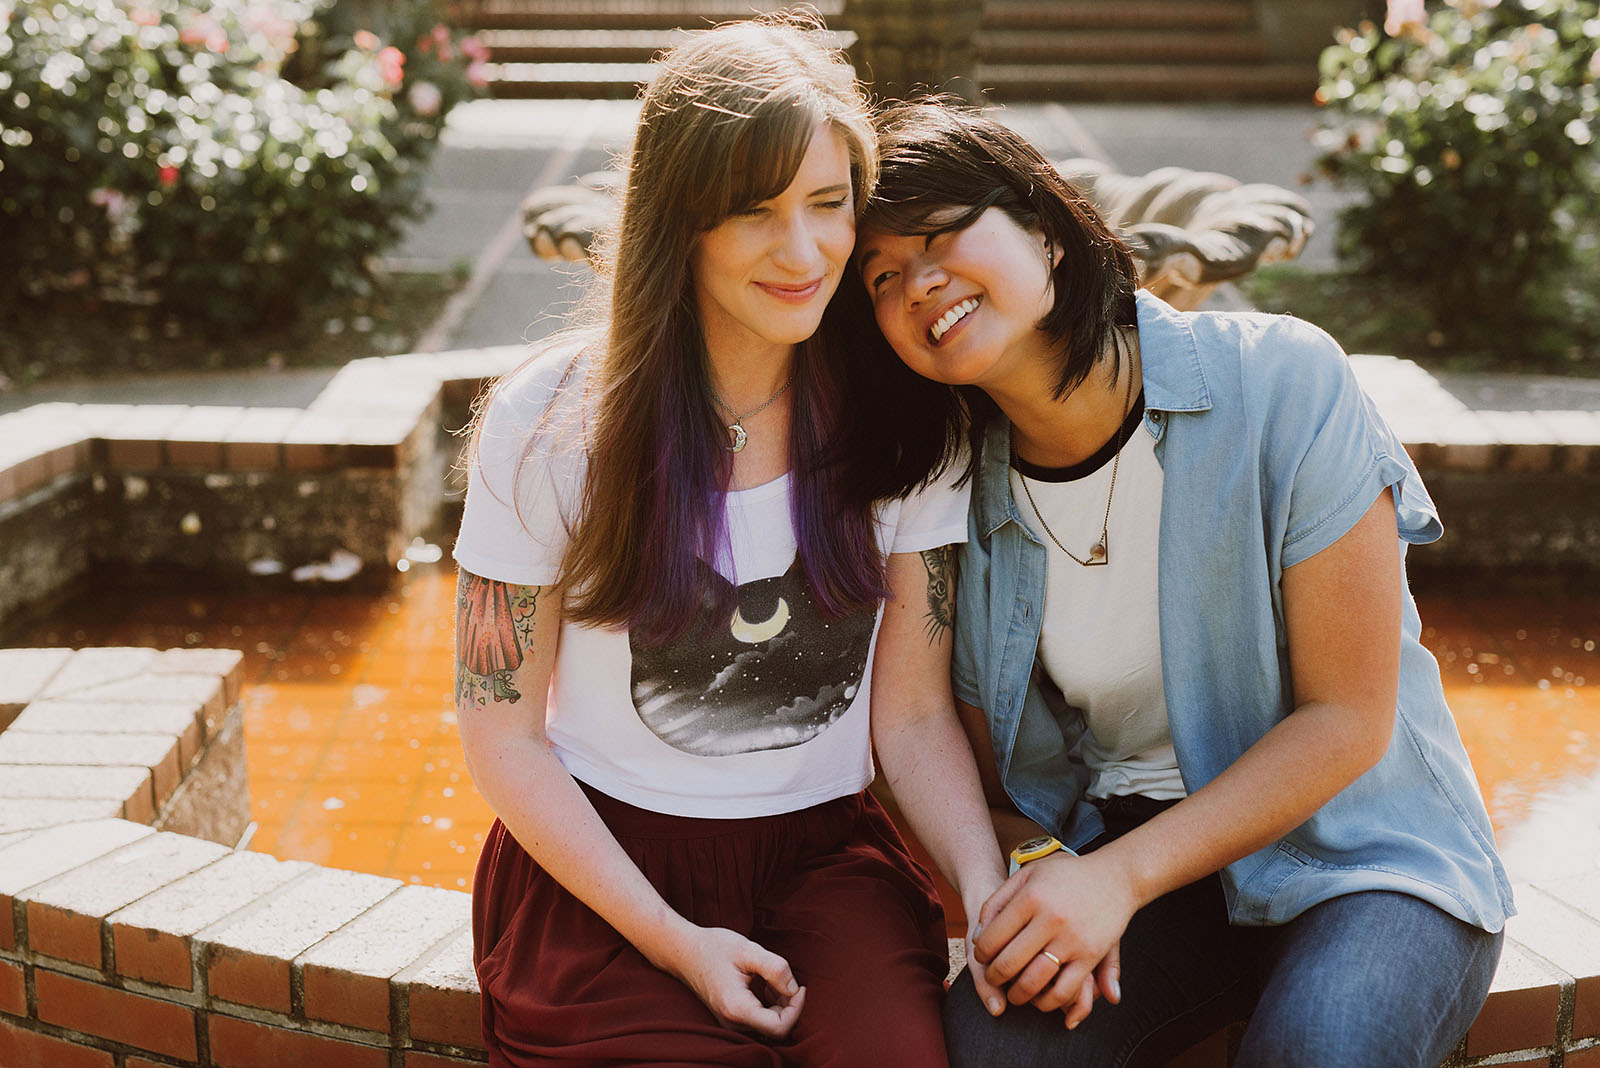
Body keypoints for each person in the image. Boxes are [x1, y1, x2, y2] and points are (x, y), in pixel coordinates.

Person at [850, 101, 1514, 1068]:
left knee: (1321, 1052)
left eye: (942, 235)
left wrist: (1116, 883)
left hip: (1365, 852)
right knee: (994, 1051)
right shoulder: (944, 476)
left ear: (1045, 229)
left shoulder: (1283, 380)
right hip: (1135, 857)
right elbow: (913, 720)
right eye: (882, 276)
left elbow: (1347, 718)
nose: (920, 283)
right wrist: (1010, 889)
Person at [451, 22, 1005, 1068]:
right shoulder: (549, 422)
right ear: (681, 221)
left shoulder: (905, 426)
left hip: (826, 859)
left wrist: (981, 892)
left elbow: (916, 713)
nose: (804, 254)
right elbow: (501, 736)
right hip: (603, 869)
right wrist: (675, 942)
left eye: (829, 204)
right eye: (756, 213)